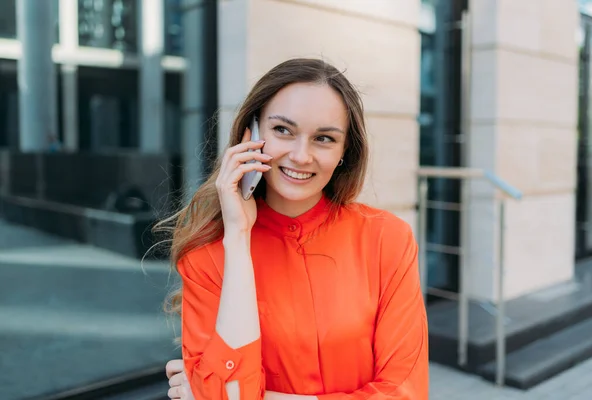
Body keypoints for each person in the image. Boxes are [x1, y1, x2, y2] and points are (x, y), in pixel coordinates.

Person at [158, 58, 429, 400]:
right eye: (283, 130)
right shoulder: (207, 256)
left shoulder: (387, 239)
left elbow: (405, 392)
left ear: (345, 151)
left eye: (324, 138)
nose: (301, 155)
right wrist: (238, 241)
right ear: (251, 134)